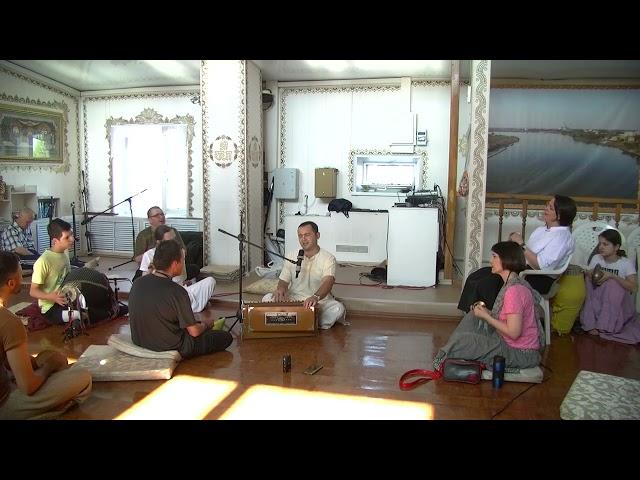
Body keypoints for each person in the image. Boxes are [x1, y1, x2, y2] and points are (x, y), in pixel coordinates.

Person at [0, 251, 92, 419]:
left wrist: (44, 362)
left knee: (48, 357)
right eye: (21, 274)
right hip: (4, 405)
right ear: (11, 283)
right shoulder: (9, 322)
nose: (25, 278)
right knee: (82, 377)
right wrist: (49, 367)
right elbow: (28, 387)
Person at [433, 241, 544, 371]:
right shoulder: (512, 284)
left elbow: (514, 333)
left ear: (507, 260)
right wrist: (487, 313)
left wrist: (487, 316)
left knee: (464, 341)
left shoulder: (514, 291)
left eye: (494, 256)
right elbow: (507, 321)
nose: (491, 261)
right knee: (472, 317)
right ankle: (450, 355)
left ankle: (445, 358)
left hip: (521, 353)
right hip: (507, 342)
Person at [458, 194, 577, 312]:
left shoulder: (563, 237)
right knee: (478, 276)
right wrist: (514, 243)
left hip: (538, 278)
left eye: (550, 208)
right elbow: (525, 253)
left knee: (487, 283)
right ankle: (471, 316)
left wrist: (521, 244)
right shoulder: (542, 230)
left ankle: (491, 319)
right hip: (522, 269)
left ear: (559, 215)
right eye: (547, 205)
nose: (545, 208)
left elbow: (540, 265)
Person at [128, 239, 232, 358]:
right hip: (170, 346)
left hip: (140, 341)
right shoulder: (177, 291)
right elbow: (194, 332)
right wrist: (206, 325)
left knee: (193, 325)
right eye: (182, 260)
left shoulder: (138, 283)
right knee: (225, 337)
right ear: (174, 264)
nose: (184, 264)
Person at [263, 221, 346, 330]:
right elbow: (283, 280)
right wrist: (281, 289)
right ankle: (308, 321)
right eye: (300, 236)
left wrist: (315, 297)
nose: (303, 239)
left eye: (307, 235)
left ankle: (294, 320)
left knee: (338, 308)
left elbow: (328, 282)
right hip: (294, 300)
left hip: (318, 302)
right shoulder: (292, 255)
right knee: (267, 298)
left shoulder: (328, 258)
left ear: (317, 235)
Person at [579, 229, 640, 344]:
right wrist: (590, 273)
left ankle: (606, 325)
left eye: (605, 244)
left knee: (612, 284)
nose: (601, 247)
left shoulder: (625, 263)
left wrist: (612, 276)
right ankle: (590, 323)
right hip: (598, 299)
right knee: (587, 280)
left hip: (619, 304)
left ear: (616, 247)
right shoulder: (596, 258)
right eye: (600, 244)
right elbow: (590, 275)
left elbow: (633, 287)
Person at [140, 225, 215, 313]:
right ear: (159, 242)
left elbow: (181, 277)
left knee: (210, 281)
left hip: (181, 290)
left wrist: (185, 282)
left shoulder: (180, 252)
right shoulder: (149, 255)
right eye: (169, 241)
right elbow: (145, 283)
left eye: (174, 239)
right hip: (163, 294)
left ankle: (186, 307)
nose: (174, 243)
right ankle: (188, 307)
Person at [133, 206, 198, 281]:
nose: (161, 217)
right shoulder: (143, 235)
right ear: (150, 220)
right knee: (138, 278)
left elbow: (184, 250)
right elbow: (137, 258)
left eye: (162, 214)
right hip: (152, 267)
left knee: (194, 268)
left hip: (173, 266)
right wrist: (158, 252)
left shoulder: (173, 231)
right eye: (157, 215)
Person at [29, 218, 74, 325]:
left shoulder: (65, 253)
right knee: (78, 315)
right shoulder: (43, 261)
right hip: (50, 308)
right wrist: (52, 297)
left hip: (66, 300)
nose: (72, 239)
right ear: (55, 241)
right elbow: (33, 291)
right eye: (67, 237)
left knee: (91, 303)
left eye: (71, 235)